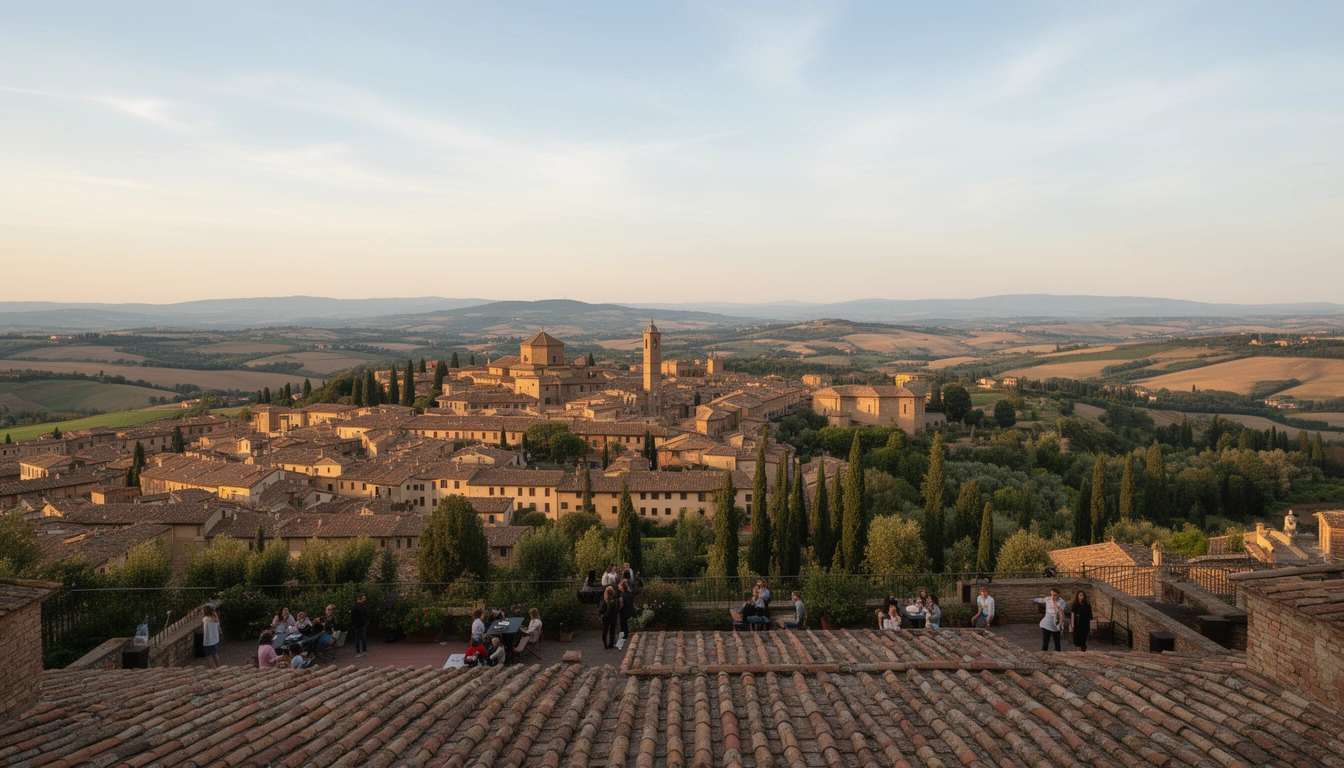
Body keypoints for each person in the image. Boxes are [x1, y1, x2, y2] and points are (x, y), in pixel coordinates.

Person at [350, 593, 369, 658]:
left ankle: (359, 652)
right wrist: (366, 621)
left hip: (357, 625)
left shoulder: (355, 607)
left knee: (358, 638)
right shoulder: (360, 607)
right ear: (360, 599)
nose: (364, 600)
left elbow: (352, 617)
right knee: (362, 638)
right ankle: (363, 651)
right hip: (361, 624)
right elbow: (363, 616)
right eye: (363, 598)